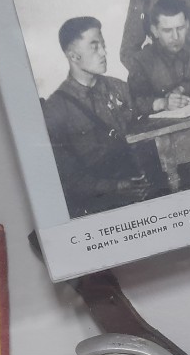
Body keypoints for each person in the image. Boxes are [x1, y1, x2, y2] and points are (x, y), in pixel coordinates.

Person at [42, 17, 155, 218]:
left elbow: (140, 109)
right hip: (98, 204)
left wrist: (161, 103)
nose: (103, 53)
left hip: (139, 186)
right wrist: (115, 187)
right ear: (74, 56)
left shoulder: (117, 87)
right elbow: (67, 178)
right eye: (94, 47)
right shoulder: (56, 109)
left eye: (103, 45)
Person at [127, 0, 190, 117]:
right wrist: (163, 103)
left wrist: (183, 88)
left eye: (180, 28)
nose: (175, 37)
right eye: (167, 30)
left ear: (187, 25)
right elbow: (135, 101)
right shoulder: (142, 60)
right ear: (155, 31)